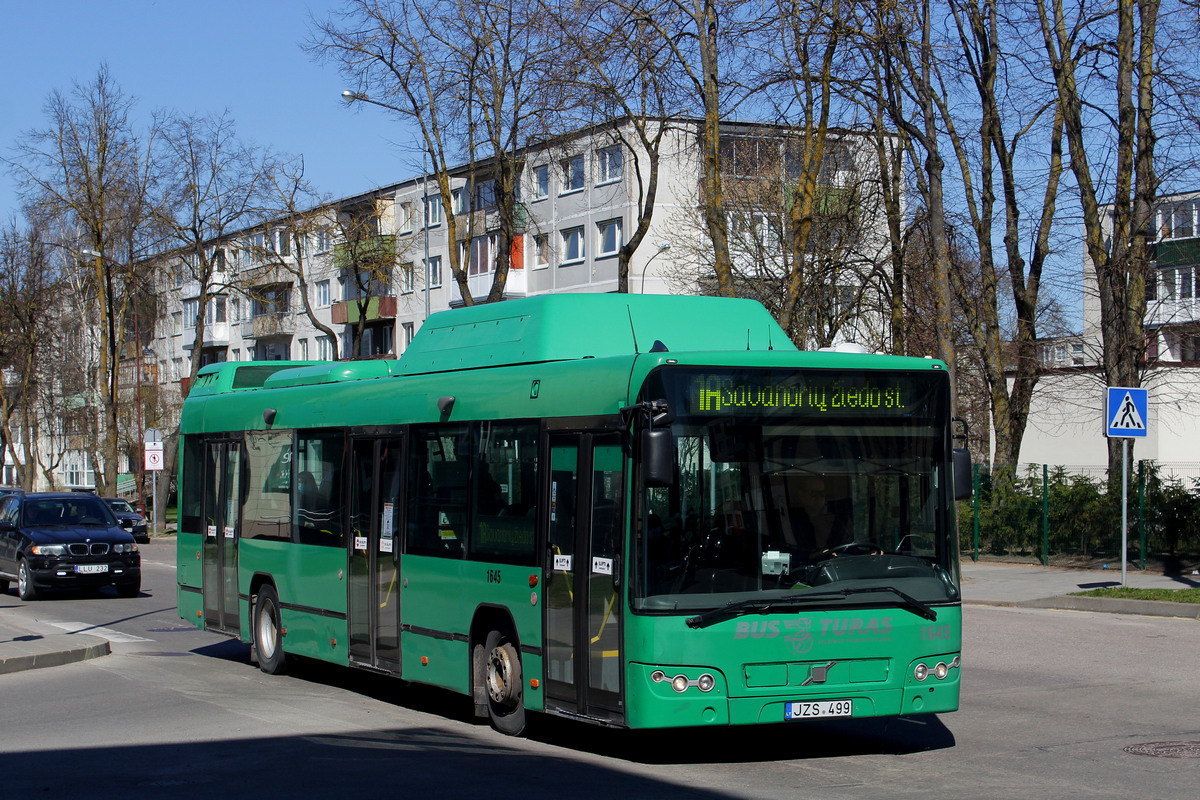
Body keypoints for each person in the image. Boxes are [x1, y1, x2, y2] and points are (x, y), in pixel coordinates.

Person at [786, 476, 847, 552]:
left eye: (822, 493)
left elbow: (845, 546)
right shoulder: (790, 521)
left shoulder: (834, 521)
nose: (819, 497)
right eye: (814, 493)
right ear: (801, 494)